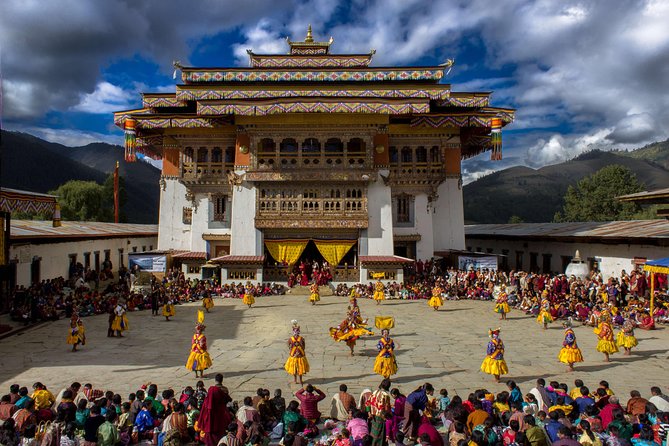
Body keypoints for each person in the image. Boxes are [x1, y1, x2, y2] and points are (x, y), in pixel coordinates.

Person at [197, 374, 232, 446]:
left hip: (210, 426)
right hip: (220, 420)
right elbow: (228, 399)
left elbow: (202, 416)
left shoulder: (207, 403)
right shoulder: (224, 391)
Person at [284, 321, 309, 385]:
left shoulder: (301, 339)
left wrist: (299, 351)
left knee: (300, 369)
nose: (296, 333)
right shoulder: (291, 339)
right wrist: (291, 349)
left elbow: (303, 346)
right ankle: (295, 380)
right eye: (295, 331)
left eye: (297, 331)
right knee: (294, 369)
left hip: (300, 356)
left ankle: (300, 380)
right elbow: (288, 344)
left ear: (299, 331)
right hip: (294, 356)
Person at [369, 379, 392, 446]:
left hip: (373, 416)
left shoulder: (375, 392)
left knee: (374, 432)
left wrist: (369, 413)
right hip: (381, 417)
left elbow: (368, 403)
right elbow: (387, 408)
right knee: (379, 433)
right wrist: (389, 415)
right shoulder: (385, 395)